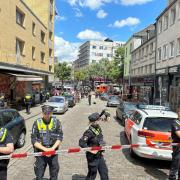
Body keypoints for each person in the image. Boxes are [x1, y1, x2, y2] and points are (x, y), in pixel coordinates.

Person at [31, 105, 63, 180]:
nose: (47, 115)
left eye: (49, 113)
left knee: (54, 173)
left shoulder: (56, 122)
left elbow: (60, 137)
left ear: (51, 113)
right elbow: (33, 140)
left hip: (53, 152)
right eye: (45, 113)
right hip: (40, 152)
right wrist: (45, 149)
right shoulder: (37, 122)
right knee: (39, 174)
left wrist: (52, 149)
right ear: (42, 113)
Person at [79, 112, 109, 180]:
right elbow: (81, 143)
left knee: (104, 172)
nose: (100, 121)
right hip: (92, 157)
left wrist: (102, 143)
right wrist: (91, 150)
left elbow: (100, 137)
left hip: (99, 155)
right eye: (99, 120)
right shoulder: (89, 132)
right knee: (92, 174)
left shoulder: (97, 128)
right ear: (94, 121)